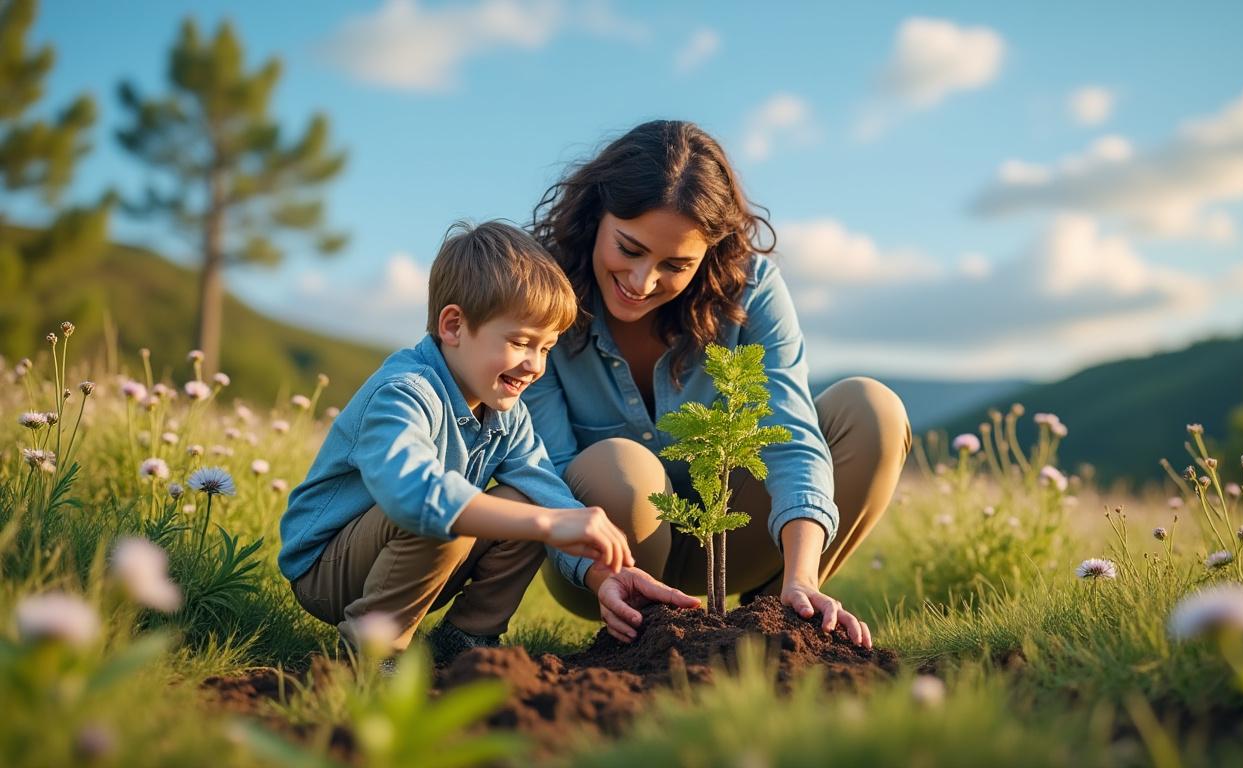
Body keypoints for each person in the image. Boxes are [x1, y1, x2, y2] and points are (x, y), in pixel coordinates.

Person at [524, 120, 912, 649]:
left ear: (709, 252)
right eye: (629, 248)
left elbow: (789, 434)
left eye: (675, 264)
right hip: (602, 555)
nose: (642, 283)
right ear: (596, 215)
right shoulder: (536, 291)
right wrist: (598, 574)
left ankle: (783, 619)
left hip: (733, 536)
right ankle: (642, 637)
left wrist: (803, 576)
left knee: (872, 411)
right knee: (622, 467)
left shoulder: (751, 290)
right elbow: (540, 470)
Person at [278, 221, 638, 663]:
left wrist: (602, 575)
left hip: (417, 559)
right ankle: (370, 656)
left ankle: (466, 641)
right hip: (328, 571)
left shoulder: (508, 414)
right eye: (521, 342)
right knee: (447, 515)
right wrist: (546, 525)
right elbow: (414, 496)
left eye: (547, 348)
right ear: (453, 326)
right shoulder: (404, 392)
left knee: (529, 500)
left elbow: (548, 497)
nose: (535, 366)